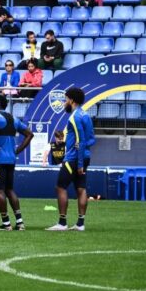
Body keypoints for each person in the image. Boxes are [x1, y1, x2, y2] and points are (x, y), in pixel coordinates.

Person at [47, 87, 95, 231]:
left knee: (60, 187)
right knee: (81, 188)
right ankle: (80, 224)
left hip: (74, 158)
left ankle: (62, 223)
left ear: (72, 100)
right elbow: (92, 139)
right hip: (85, 157)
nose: (64, 103)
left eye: (65, 99)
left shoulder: (74, 117)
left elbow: (79, 141)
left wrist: (79, 163)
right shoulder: (86, 115)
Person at [0, 94, 34, 231]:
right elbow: (30, 134)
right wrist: (17, 151)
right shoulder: (13, 119)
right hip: (11, 159)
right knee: (9, 189)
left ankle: (6, 224)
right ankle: (20, 223)